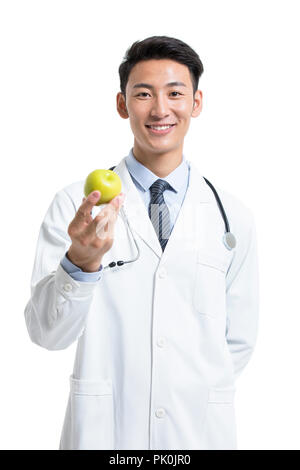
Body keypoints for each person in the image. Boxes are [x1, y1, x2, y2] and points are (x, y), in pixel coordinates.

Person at [24, 35, 259, 450]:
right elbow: (47, 333)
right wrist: (80, 263)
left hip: (197, 436)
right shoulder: (75, 204)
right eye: (144, 94)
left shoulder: (232, 216)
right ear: (122, 104)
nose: (160, 109)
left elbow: (237, 341)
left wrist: (185, 390)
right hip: (106, 436)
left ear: (197, 103)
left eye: (175, 93)